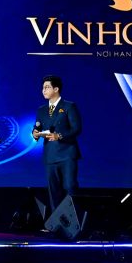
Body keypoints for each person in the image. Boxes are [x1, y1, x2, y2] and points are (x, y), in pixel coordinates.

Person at [31, 74, 82, 212]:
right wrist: (35, 133)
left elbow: (77, 128)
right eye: (43, 88)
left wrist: (59, 135)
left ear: (56, 89)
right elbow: (37, 127)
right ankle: (57, 221)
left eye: (47, 87)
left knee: (70, 187)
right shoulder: (41, 110)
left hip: (67, 154)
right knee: (53, 191)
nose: (44, 90)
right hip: (50, 155)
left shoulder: (69, 106)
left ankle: (74, 220)